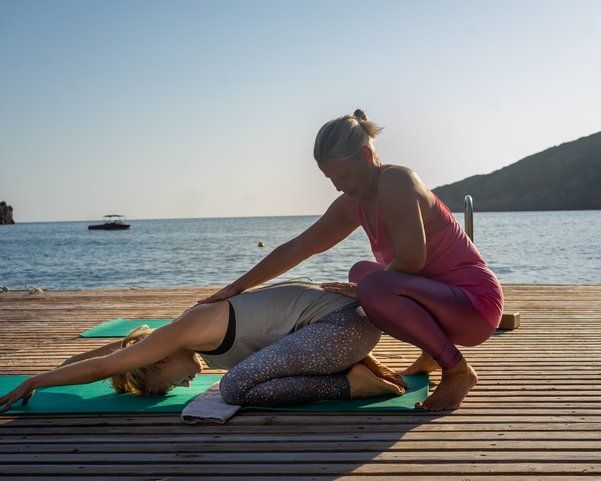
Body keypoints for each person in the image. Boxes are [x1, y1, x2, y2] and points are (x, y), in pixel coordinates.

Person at [198, 110, 504, 411]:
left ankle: (458, 370)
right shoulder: (354, 203)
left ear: (366, 155)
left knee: (370, 284)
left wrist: (365, 292)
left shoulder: (397, 181)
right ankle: (433, 353)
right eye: (330, 178)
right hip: (441, 300)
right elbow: (299, 247)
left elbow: (412, 258)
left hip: (474, 304)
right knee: (361, 272)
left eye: (343, 175)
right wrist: (235, 287)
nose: (338, 185)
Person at [0, 282, 405, 413]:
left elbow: (107, 366)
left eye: (166, 385)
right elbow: (109, 353)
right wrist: (68, 360)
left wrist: (38, 379)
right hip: (344, 331)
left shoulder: (183, 331)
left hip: (345, 327)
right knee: (250, 377)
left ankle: (353, 386)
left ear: (157, 359)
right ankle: (352, 370)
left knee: (234, 387)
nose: (185, 382)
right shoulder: (188, 332)